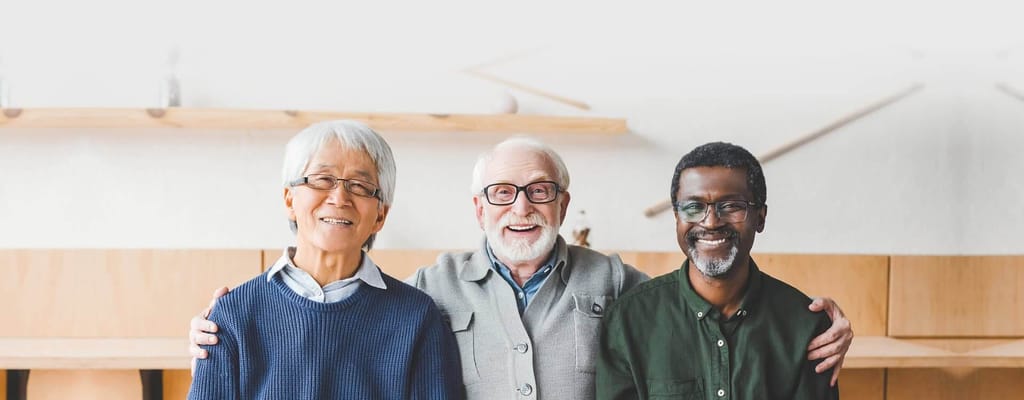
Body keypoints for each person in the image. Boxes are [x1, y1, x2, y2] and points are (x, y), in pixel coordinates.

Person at [190, 137, 853, 399]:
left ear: (562, 203)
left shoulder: (617, 282)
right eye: (501, 194)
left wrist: (817, 324)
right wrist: (227, 320)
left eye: (540, 192)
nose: (522, 209)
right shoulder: (425, 293)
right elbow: (346, 310)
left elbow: (698, 306)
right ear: (478, 208)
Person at [187, 120, 463, 399]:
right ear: (289, 200)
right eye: (322, 180)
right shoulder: (232, 316)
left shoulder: (416, 317)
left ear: (380, 215)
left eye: (360, 185)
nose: (339, 197)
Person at [596, 142, 839, 400]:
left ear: (760, 217)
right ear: (677, 218)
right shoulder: (628, 320)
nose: (711, 222)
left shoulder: (805, 325)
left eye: (732, 206)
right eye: (693, 207)